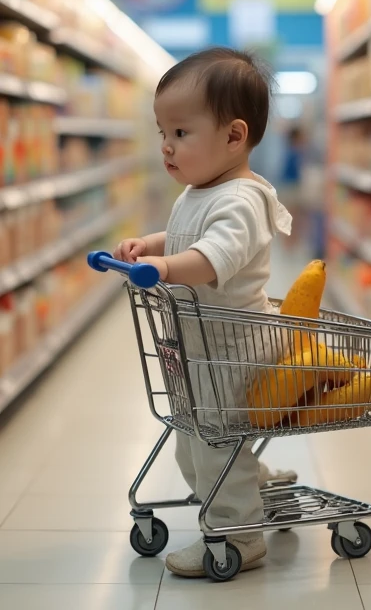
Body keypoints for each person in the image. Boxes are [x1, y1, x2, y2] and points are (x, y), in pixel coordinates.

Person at [114, 47, 296, 578]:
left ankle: (238, 536)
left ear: (234, 136)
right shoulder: (201, 189)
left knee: (212, 443)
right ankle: (261, 484)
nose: (167, 147)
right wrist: (150, 244)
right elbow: (185, 236)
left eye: (181, 133)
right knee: (193, 444)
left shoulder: (244, 199)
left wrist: (167, 267)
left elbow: (212, 256)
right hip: (203, 344)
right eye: (161, 133)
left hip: (237, 345)